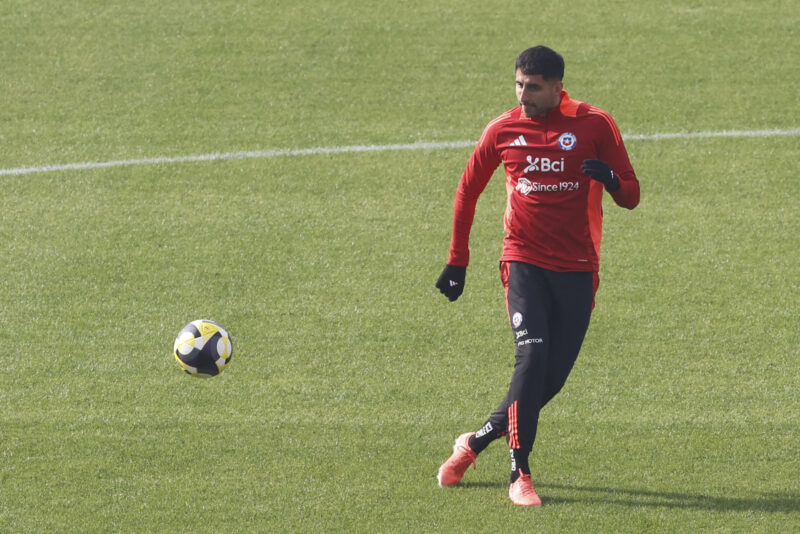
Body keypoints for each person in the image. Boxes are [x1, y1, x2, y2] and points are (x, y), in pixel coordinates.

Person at [434, 45, 640, 506]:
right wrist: (457, 261)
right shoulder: (504, 129)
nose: (523, 95)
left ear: (556, 87)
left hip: (578, 268)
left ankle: (472, 443)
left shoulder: (595, 125)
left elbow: (631, 195)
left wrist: (610, 179)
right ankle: (519, 472)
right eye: (518, 85)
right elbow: (468, 189)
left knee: (549, 380)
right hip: (522, 260)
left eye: (533, 87)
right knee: (530, 358)